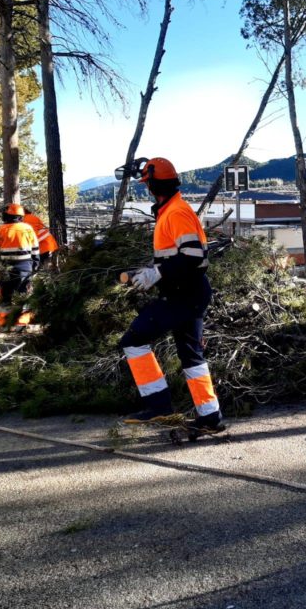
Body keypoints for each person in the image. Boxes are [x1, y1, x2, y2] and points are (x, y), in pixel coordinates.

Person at [118, 156, 223, 431]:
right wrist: (153, 270)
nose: (146, 188)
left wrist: (157, 274)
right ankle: (210, 417)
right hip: (189, 292)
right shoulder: (170, 209)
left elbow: (193, 255)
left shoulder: (175, 212)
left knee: (134, 340)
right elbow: (178, 256)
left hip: (183, 295)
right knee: (192, 357)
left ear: (153, 185)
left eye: (147, 184)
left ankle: (158, 406)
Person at [0, 203, 40, 330]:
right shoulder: (28, 228)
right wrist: (35, 264)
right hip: (25, 266)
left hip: (6, 267)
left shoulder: (0, 230)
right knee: (23, 295)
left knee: (5, 295)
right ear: (20, 216)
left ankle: (4, 324)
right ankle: (20, 325)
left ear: (6, 216)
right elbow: (35, 249)